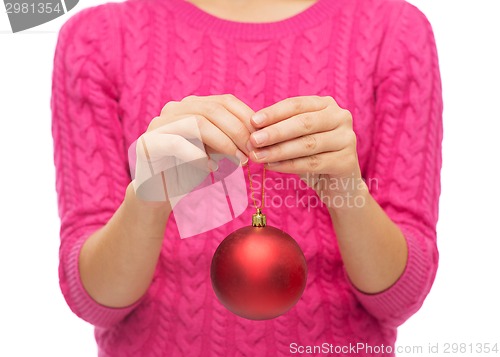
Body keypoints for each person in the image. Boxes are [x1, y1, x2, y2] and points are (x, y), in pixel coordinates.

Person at [51, 0, 442, 355]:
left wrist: (345, 191)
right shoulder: (97, 39)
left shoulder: (394, 30)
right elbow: (94, 301)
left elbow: (400, 299)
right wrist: (149, 196)